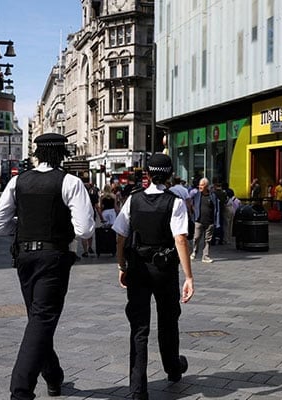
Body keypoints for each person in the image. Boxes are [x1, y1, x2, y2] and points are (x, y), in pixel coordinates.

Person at [0, 133, 94, 400]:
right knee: (42, 319)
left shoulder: (17, 181)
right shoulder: (70, 182)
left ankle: (54, 376)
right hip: (54, 258)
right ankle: (21, 390)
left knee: (38, 319)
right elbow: (85, 229)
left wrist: (23, 228)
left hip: (24, 257)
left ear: (37, 154)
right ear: (62, 155)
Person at [112, 153, 194, 400]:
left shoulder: (132, 200)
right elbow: (180, 239)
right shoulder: (175, 202)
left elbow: (120, 235)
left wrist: (121, 265)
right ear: (168, 174)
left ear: (147, 172)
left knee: (139, 327)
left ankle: (138, 389)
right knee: (168, 320)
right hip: (164, 269)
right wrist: (189, 277)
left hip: (137, 267)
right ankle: (172, 368)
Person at [189, 177, 220, 263]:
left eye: (202, 185)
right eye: (199, 185)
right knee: (196, 238)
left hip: (209, 221)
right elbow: (190, 202)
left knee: (208, 240)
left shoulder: (212, 196)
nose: (200, 187)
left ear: (206, 186)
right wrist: (193, 213)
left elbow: (216, 209)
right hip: (199, 220)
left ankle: (205, 256)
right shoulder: (196, 195)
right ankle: (194, 252)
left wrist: (216, 221)